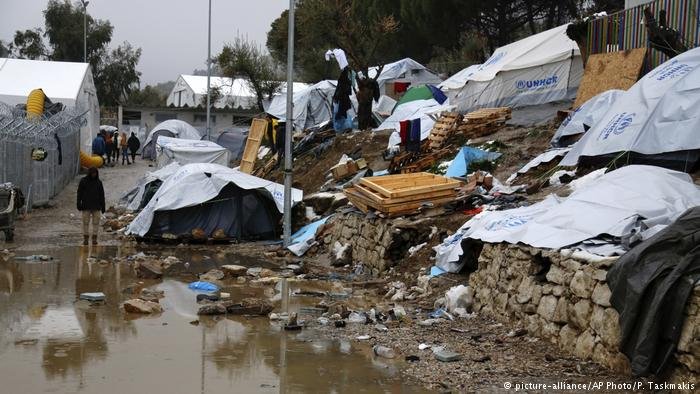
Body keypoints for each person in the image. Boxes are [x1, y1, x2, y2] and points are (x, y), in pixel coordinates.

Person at [77, 167, 105, 246]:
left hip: (96, 206)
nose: (94, 175)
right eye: (92, 173)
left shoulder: (99, 182)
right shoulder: (83, 181)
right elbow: (79, 193)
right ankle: (86, 238)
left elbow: (102, 195)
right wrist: (78, 204)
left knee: (96, 223)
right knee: (85, 222)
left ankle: (94, 238)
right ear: (89, 173)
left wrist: (103, 206)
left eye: (95, 173)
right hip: (86, 205)